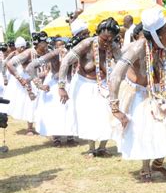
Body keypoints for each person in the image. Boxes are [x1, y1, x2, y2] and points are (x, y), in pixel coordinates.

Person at [109, 7, 166, 182]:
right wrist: (114, 107)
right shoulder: (136, 48)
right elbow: (116, 74)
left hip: (160, 90)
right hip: (139, 93)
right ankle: (145, 168)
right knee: (144, 130)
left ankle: (158, 164)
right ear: (156, 35)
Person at [58, 17, 121, 157]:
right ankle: (91, 148)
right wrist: (61, 86)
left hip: (104, 85)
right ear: (98, 34)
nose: (107, 42)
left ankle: (102, 147)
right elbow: (66, 61)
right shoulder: (86, 44)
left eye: (111, 40)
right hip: (83, 83)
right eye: (104, 39)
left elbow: (121, 66)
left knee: (107, 114)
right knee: (88, 116)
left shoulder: (114, 47)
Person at [26, 37, 76, 146]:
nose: (61, 48)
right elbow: (30, 67)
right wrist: (39, 85)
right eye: (58, 45)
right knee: (56, 111)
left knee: (69, 111)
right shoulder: (53, 55)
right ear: (53, 47)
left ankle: (70, 135)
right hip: (55, 86)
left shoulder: (73, 53)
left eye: (63, 44)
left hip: (70, 85)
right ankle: (56, 137)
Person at [5, 32, 50, 135]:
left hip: (46, 79)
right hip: (32, 81)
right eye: (44, 42)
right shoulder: (29, 52)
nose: (46, 44)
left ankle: (44, 125)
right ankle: (30, 128)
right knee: (32, 103)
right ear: (38, 43)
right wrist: (21, 79)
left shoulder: (48, 51)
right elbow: (9, 64)